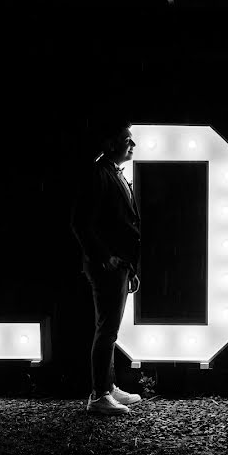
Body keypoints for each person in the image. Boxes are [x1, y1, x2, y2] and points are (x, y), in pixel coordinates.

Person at [71, 118, 144, 415]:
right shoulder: (98, 173)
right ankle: (99, 394)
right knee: (107, 330)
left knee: (110, 330)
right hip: (107, 265)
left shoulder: (111, 173)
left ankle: (108, 387)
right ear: (111, 143)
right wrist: (104, 256)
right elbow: (80, 223)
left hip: (119, 265)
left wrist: (131, 268)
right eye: (127, 140)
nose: (133, 145)